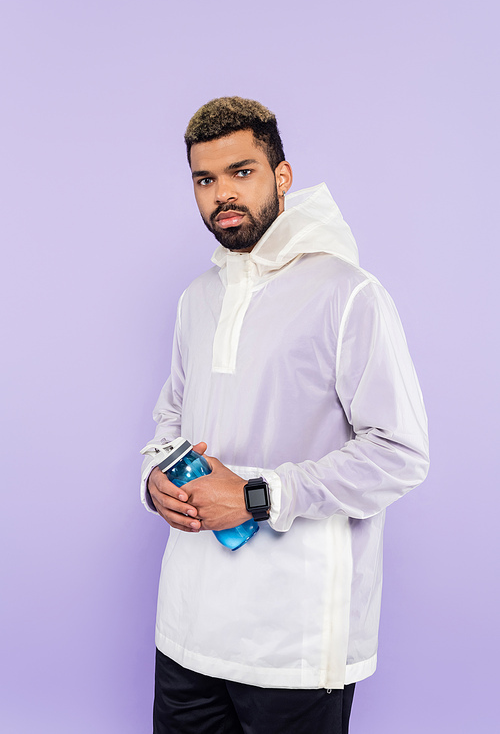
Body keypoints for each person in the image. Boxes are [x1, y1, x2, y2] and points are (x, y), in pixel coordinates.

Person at [140, 97, 429, 734]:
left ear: (282, 176)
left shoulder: (348, 293)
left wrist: (255, 496)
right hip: (186, 629)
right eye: (204, 179)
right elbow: (170, 421)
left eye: (241, 172)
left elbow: (399, 453)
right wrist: (153, 481)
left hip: (294, 645)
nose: (222, 195)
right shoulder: (198, 298)